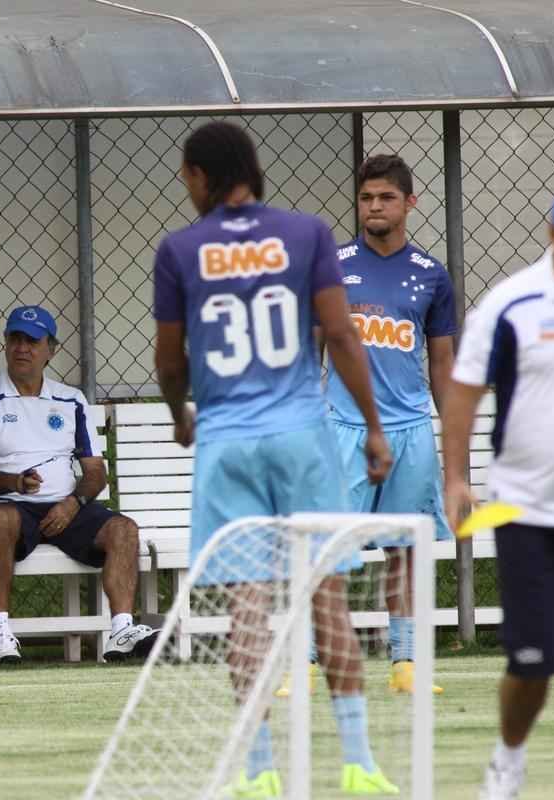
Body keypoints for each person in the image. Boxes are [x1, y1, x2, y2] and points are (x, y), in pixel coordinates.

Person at [152, 120, 397, 796]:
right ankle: (358, 763)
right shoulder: (306, 234)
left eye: (188, 176)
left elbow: (169, 361)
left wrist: (182, 417)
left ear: (204, 176)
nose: (187, 187)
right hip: (300, 433)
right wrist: (373, 427)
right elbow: (342, 335)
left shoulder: (180, 249)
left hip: (227, 437)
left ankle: (258, 772)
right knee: (328, 598)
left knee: (247, 608)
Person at [444, 180, 554, 800]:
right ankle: (508, 760)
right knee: (534, 660)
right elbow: (464, 393)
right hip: (526, 511)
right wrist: (457, 479)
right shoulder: (509, 304)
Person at [0, 306, 159, 665]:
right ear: (5, 344)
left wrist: (74, 503)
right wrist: (14, 482)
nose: (22, 348)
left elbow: (96, 473)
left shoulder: (72, 400)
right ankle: (1, 635)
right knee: (2, 519)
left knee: (124, 530)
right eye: (15, 339)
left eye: (32, 341)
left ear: (51, 350)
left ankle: (122, 631)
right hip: (11, 508)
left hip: (68, 508)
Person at [326, 153, 457, 695]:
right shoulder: (332, 265)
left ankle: (405, 664)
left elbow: (443, 363)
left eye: (385, 197)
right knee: (329, 547)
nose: (373, 207)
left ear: (409, 202)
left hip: (410, 431)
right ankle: (312, 662)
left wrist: (454, 446)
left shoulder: (432, 275)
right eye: (365, 197)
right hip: (345, 430)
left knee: (406, 548)